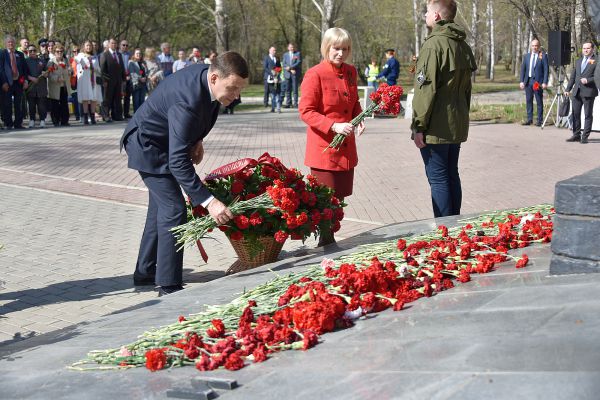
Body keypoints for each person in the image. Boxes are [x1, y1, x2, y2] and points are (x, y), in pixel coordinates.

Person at [120, 51, 249, 296]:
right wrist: (210, 202)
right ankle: (168, 286)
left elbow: (206, 109)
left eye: (240, 89)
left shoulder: (208, 79)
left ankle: (145, 271)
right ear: (214, 78)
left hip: (164, 141)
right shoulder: (187, 100)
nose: (236, 96)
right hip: (146, 145)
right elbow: (178, 162)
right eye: (232, 88)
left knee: (160, 209)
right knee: (174, 209)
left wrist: (196, 140)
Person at [299, 27, 365, 246]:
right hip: (325, 150)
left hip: (345, 149)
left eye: (345, 49)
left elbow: (353, 102)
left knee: (339, 202)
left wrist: (359, 117)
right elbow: (306, 111)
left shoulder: (351, 72)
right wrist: (333, 126)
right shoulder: (315, 74)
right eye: (336, 48)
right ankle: (326, 244)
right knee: (325, 204)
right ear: (326, 47)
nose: (341, 53)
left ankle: (330, 241)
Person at [411, 0, 476, 218]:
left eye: (428, 12)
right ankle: (455, 225)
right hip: (456, 122)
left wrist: (418, 125)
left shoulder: (433, 45)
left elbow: (425, 90)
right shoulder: (462, 45)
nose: (425, 16)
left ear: (437, 16)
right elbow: (467, 90)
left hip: (436, 126)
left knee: (438, 178)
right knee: (451, 174)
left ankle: (445, 231)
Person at [565, 42, 597, 144]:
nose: (585, 50)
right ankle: (576, 135)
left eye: (588, 48)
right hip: (576, 92)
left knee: (588, 115)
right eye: (584, 48)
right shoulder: (578, 61)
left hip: (588, 92)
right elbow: (573, 77)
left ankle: (585, 136)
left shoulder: (597, 60)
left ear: (592, 49)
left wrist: (588, 80)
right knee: (575, 114)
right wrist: (568, 89)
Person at [1, 35, 29, 130]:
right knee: (7, 104)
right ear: (6, 44)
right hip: (7, 83)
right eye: (9, 42)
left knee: (19, 104)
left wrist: (25, 81)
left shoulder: (20, 54)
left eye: (12, 42)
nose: (11, 44)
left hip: (18, 82)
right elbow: (1, 69)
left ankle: (18, 123)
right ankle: (8, 123)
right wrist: (3, 82)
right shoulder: (2, 54)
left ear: (15, 43)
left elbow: (25, 69)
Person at [519, 38, 549, 126]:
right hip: (528, 81)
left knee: (539, 101)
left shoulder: (543, 56)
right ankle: (529, 119)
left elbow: (546, 70)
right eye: (533, 46)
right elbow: (523, 70)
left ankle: (539, 120)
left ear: (539, 46)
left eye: (536, 46)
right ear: (531, 46)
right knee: (529, 100)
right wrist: (521, 81)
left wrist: (544, 82)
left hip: (537, 82)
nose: (534, 47)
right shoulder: (527, 56)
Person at [100, 38, 126, 122]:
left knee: (117, 98)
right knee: (107, 98)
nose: (113, 45)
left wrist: (123, 79)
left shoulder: (119, 55)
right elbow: (103, 69)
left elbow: (122, 67)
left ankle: (117, 115)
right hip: (108, 81)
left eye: (115, 43)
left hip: (118, 80)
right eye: (112, 43)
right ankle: (106, 115)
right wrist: (104, 81)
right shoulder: (105, 54)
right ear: (108, 45)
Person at [76, 40, 101, 125]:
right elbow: (78, 61)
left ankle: (93, 117)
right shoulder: (81, 55)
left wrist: (97, 69)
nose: (88, 47)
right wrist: (85, 64)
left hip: (93, 79)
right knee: (85, 98)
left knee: (93, 98)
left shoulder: (95, 57)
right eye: (87, 46)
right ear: (84, 47)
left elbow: (98, 67)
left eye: (90, 46)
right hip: (85, 79)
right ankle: (85, 117)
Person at [47, 44, 72, 127]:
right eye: (57, 51)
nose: (59, 53)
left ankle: (65, 120)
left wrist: (69, 71)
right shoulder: (51, 62)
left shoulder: (66, 60)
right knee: (55, 104)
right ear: (54, 52)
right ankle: (56, 120)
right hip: (55, 86)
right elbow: (49, 75)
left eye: (61, 51)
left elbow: (70, 70)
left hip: (64, 86)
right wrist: (57, 78)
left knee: (64, 104)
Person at [24, 44, 49, 128]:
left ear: (36, 51)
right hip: (31, 87)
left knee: (41, 105)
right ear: (28, 52)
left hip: (41, 86)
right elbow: (24, 73)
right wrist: (30, 78)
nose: (32, 52)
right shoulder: (26, 61)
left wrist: (45, 74)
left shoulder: (41, 60)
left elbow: (46, 72)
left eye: (34, 50)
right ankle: (32, 120)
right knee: (31, 105)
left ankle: (42, 120)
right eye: (30, 51)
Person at [282, 43, 301, 108]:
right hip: (287, 74)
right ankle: (288, 103)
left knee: (295, 89)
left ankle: (295, 103)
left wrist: (290, 67)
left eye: (292, 47)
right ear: (288, 48)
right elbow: (284, 64)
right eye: (290, 47)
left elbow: (298, 62)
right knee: (288, 89)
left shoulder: (297, 54)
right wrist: (290, 70)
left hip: (294, 74)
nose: (291, 48)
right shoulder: (285, 55)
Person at [128, 48, 147, 113]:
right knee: (136, 100)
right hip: (136, 84)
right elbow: (132, 73)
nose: (138, 55)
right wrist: (140, 78)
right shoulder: (131, 62)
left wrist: (145, 78)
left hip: (143, 84)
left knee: (142, 100)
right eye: (137, 53)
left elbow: (146, 72)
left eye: (139, 53)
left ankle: (142, 114)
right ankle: (136, 114)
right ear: (134, 54)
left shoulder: (143, 62)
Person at [120, 40, 133, 118]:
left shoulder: (130, 55)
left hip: (129, 77)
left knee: (127, 97)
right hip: (121, 78)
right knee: (120, 97)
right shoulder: (118, 54)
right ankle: (119, 113)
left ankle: (126, 113)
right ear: (120, 45)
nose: (125, 46)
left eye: (126, 45)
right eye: (123, 45)